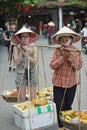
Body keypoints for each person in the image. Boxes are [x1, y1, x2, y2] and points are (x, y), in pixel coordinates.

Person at [50, 26, 82, 130]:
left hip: (71, 82)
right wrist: (62, 57)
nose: (64, 40)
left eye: (66, 38)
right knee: (59, 105)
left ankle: (68, 125)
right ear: (59, 40)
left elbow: (78, 66)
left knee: (68, 105)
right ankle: (60, 126)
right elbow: (52, 65)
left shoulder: (76, 51)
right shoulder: (57, 51)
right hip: (58, 82)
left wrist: (69, 57)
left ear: (71, 38)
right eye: (61, 38)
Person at [12, 26, 38, 103]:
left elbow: (35, 61)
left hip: (32, 73)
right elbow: (17, 62)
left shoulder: (34, 47)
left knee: (33, 97)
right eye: (22, 37)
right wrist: (21, 51)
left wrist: (26, 54)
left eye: (26, 36)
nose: (24, 38)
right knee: (22, 98)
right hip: (20, 74)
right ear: (19, 38)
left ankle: (32, 114)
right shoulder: (16, 48)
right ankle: (23, 114)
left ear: (30, 37)